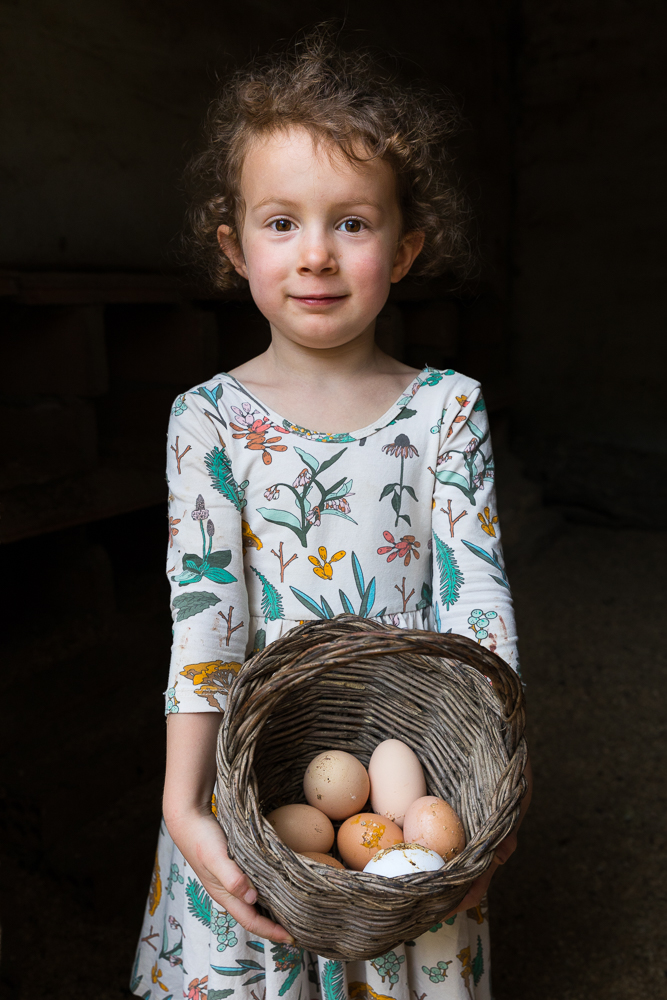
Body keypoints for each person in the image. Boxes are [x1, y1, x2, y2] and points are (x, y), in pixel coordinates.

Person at [132, 28, 532, 1000]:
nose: (315, 253)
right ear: (233, 246)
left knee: (402, 928)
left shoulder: (446, 408)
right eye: (281, 222)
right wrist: (186, 802)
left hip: (413, 773)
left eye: (352, 222)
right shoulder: (210, 420)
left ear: (406, 247)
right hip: (256, 764)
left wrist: (501, 795)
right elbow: (206, 619)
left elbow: (477, 597)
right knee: (253, 940)